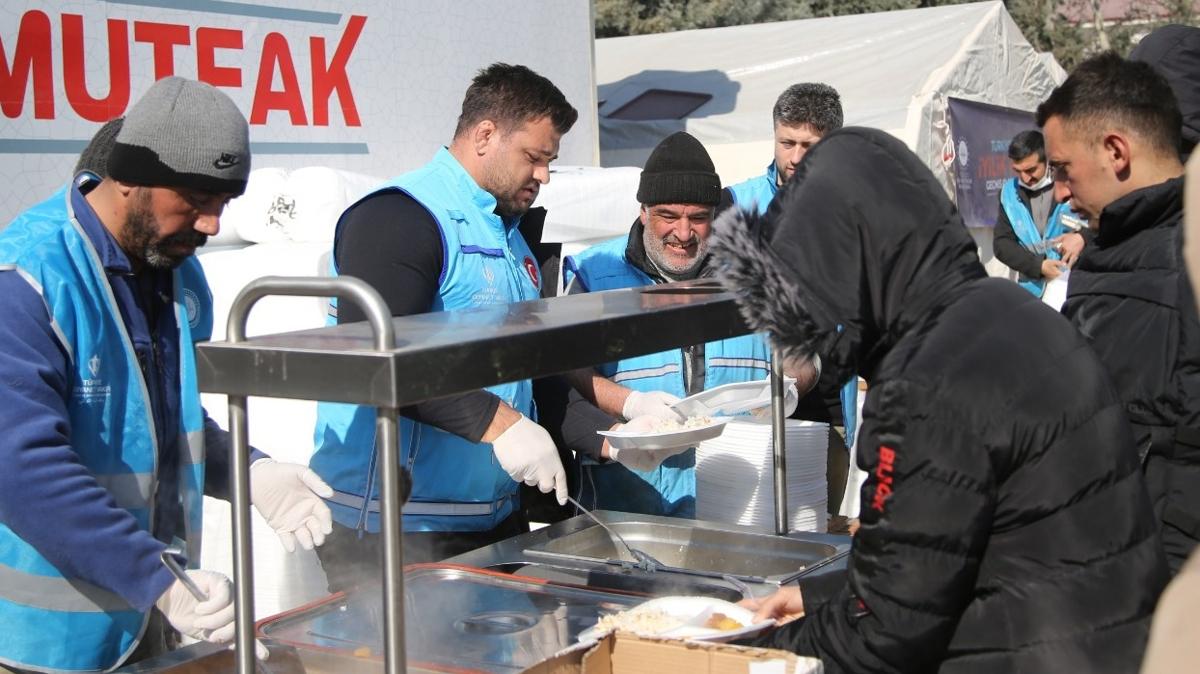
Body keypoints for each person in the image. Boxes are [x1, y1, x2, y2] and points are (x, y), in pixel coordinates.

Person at [713, 126, 1167, 672]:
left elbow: (882, 636)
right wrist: (822, 594)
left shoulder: (922, 384)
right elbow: (941, 554)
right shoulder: (1008, 311)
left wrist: (734, 655)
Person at [0, 77, 334, 673]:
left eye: (224, 204)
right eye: (196, 198)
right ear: (128, 176)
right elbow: (20, 466)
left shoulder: (176, 275)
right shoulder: (28, 279)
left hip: (149, 620)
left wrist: (250, 471)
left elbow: (163, 423)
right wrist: (159, 579)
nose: (210, 224)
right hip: (47, 640)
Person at [310, 63, 576, 588]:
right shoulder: (401, 216)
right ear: (484, 136)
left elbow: (525, 365)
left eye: (550, 161)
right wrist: (502, 425)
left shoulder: (509, 234)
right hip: (397, 525)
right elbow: (375, 360)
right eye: (534, 157)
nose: (544, 175)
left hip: (489, 517)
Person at [560, 131, 779, 517]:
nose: (683, 233)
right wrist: (627, 406)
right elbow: (562, 372)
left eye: (698, 218)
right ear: (643, 211)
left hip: (737, 502)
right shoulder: (596, 275)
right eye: (668, 216)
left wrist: (794, 383)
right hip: (627, 505)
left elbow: (798, 355)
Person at [1039, 52, 1198, 574]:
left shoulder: (1184, 269)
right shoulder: (1112, 254)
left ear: (1115, 151)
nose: (1060, 193)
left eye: (1063, 170)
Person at [723, 82, 858, 529]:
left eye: (809, 145)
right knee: (749, 526)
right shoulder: (736, 202)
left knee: (815, 533)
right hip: (753, 398)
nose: (796, 157)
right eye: (787, 143)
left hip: (828, 406)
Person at [991, 130, 1082, 296]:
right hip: (1032, 290)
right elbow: (1002, 244)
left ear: (1047, 160)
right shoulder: (1009, 193)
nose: (1025, 179)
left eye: (1031, 170)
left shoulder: (1072, 184)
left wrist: (1082, 237)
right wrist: (1038, 266)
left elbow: (1105, 223)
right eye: (1018, 171)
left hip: (1074, 285)